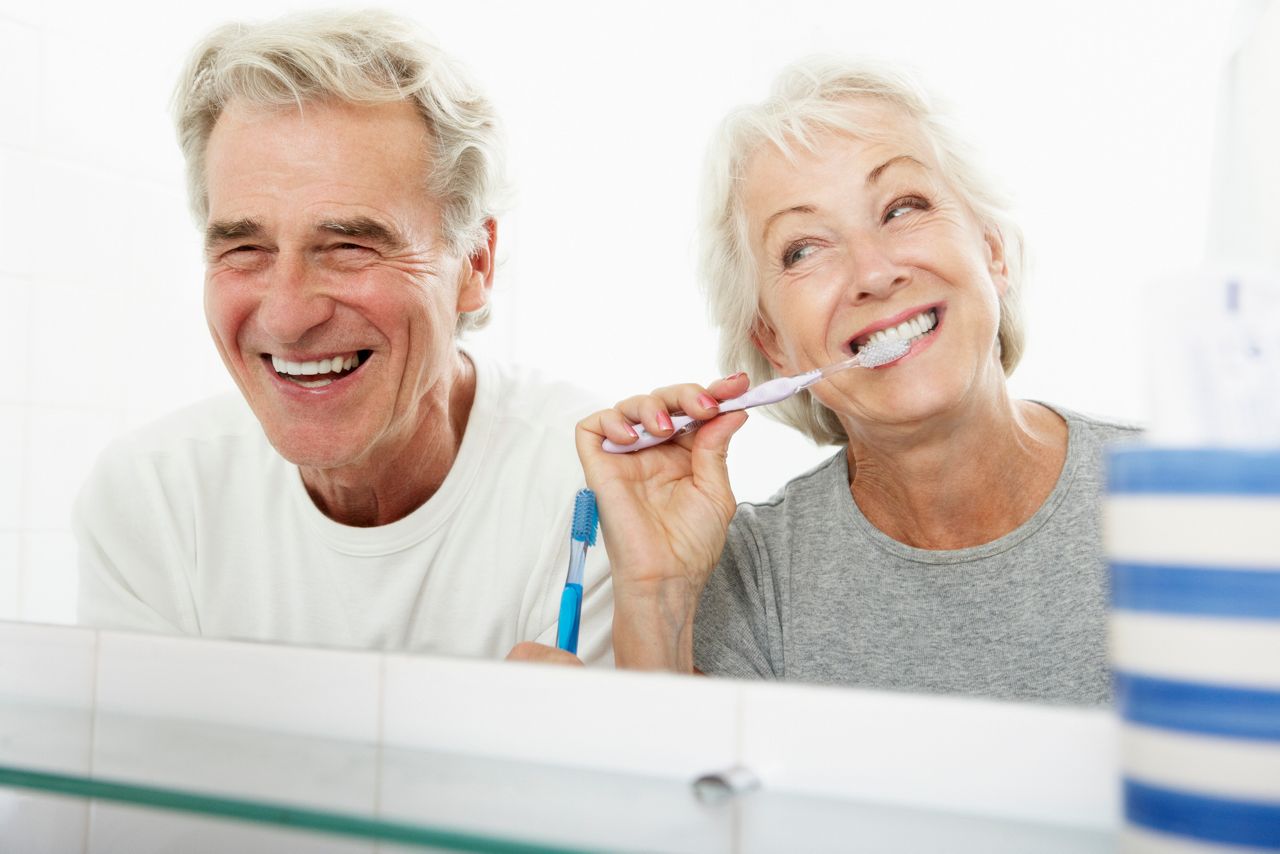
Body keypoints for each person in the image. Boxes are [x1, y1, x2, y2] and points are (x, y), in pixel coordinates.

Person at [575, 58, 1138, 703]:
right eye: (804, 249)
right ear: (773, 345)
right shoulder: (754, 582)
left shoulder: (1198, 496)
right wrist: (656, 596)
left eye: (902, 207)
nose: (874, 271)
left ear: (992, 251)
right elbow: (673, 794)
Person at [73, 9, 611, 663]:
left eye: (349, 245)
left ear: (474, 262)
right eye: (245, 247)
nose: (287, 314)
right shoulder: (155, 499)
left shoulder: (595, 489)